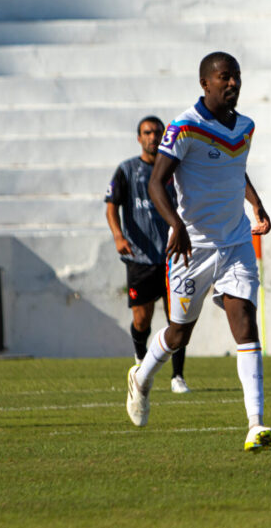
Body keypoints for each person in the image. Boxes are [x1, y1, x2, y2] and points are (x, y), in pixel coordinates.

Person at [125, 51, 271, 454]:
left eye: (237, 77)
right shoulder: (183, 128)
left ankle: (256, 423)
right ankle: (141, 377)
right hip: (193, 246)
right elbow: (158, 182)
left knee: (244, 318)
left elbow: (235, 168)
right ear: (205, 83)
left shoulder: (245, 127)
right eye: (225, 77)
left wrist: (255, 204)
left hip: (236, 241)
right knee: (179, 333)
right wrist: (176, 225)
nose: (233, 84)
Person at [105, 116, 190, 394]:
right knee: (142, 319)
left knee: (177, 320)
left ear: (165, 136)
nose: (153, 137)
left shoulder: (175, 170)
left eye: (157, 132)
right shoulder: (127, 170)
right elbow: (111, 206)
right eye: (147, 132)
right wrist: (118, 236)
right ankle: (141, 362)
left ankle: (177, 376)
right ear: (139, 138)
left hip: (173, 258)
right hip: (140, 258)